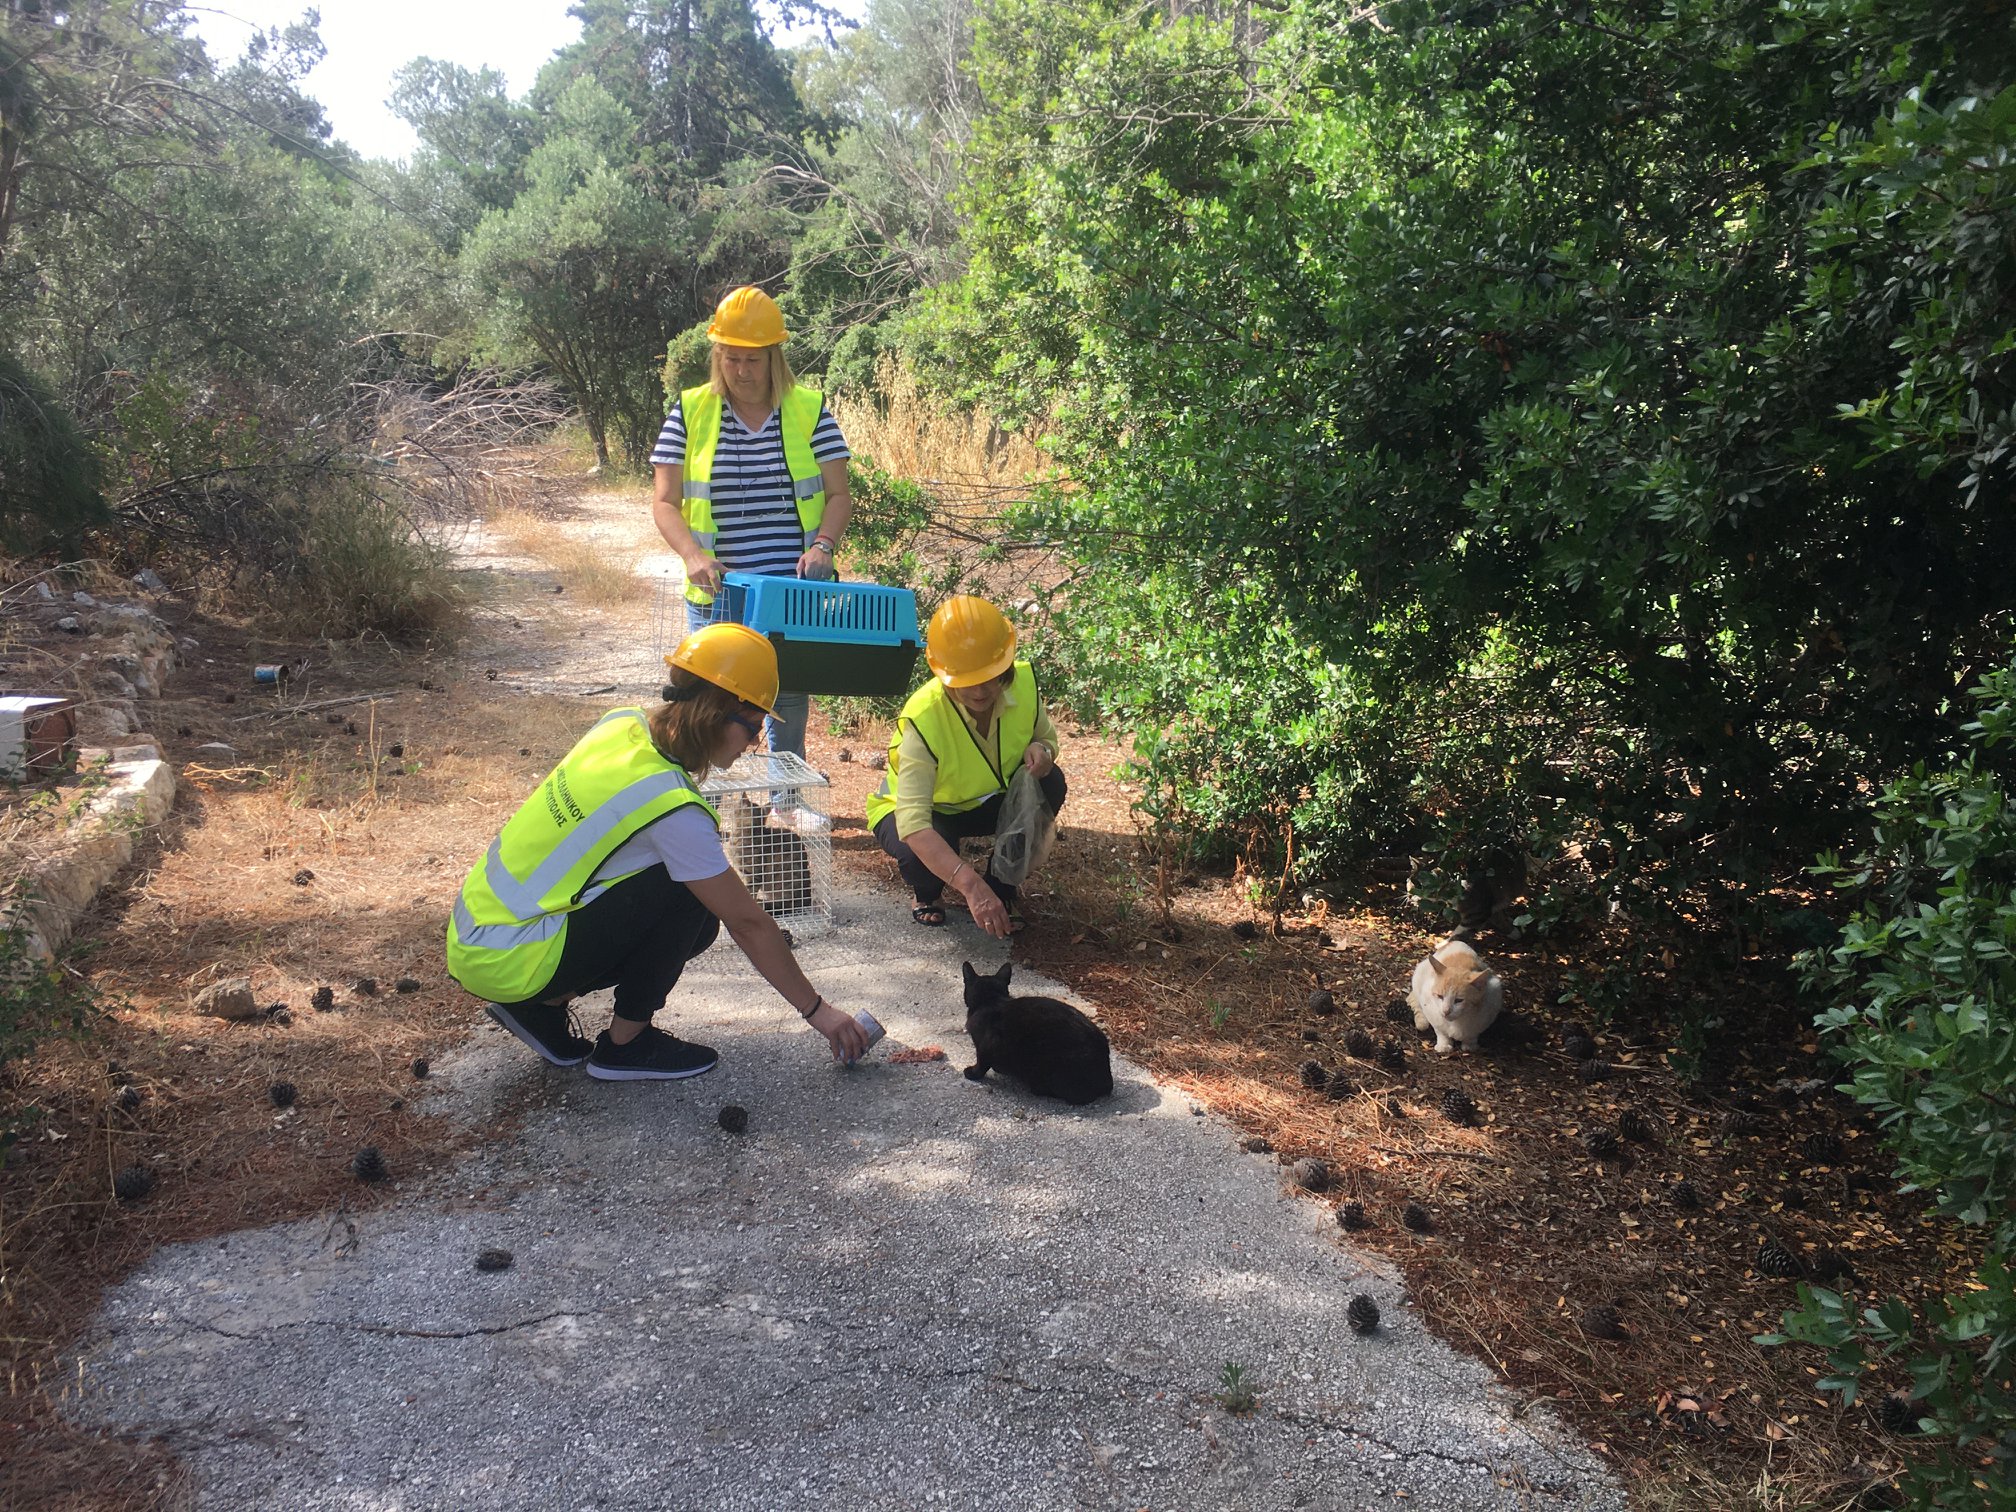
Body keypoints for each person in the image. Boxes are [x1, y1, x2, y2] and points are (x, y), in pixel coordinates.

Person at [446, 622, 870, 1080]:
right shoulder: (672, 808)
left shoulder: (622, 724)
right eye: (754, 727)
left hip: (479, 938)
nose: (756, 742)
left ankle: (541, 1008)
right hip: (512, 959)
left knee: (697, 913)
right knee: (692, 893)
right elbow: (748, 923)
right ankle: (625, 1045)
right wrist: (818, 1011)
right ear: (722, 712)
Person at [650, 285, 851, 835]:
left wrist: (823, 547)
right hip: (719, 590)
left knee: (786, 696)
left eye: (752, 359)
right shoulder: (690, 411)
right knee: (705, 700)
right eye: (731, 358)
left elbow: (838, 495)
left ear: (774, 357)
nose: (741, 370)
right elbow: (664, 503)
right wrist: (691, 554)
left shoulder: (810, 410)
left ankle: (785, 799)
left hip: (790, 591)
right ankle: (696, 805)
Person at [864, 595, 1067, 939]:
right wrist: (970, 886)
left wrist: (1043, 751)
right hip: (919, 814)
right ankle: (927, 895)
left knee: (1052, 783)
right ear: (942, 673)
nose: (979, 689)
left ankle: (1001, 889)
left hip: (983, 803)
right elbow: (913, 824)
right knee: (921, 859)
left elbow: (1047, 740)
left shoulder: (1023, 684)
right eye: (963, 679)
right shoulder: (923, 717)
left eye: (989, 675)